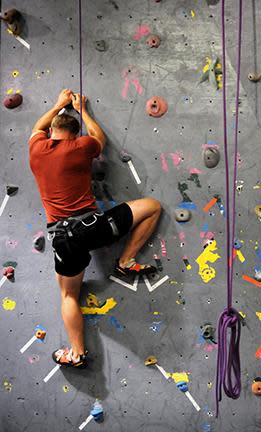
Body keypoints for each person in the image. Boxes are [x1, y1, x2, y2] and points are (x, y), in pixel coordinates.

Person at [29, 89, 162, 368]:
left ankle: (77, 353)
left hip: (64, 239)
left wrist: (58, 104)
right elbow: (99, 138)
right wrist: (82, 110)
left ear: (51, 130)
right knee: (151, 207)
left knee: (68, 295)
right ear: (76, 136)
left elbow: (37, 127)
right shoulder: (81, 147)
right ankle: (126, 260)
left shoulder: (36, 149)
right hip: (94, 228)